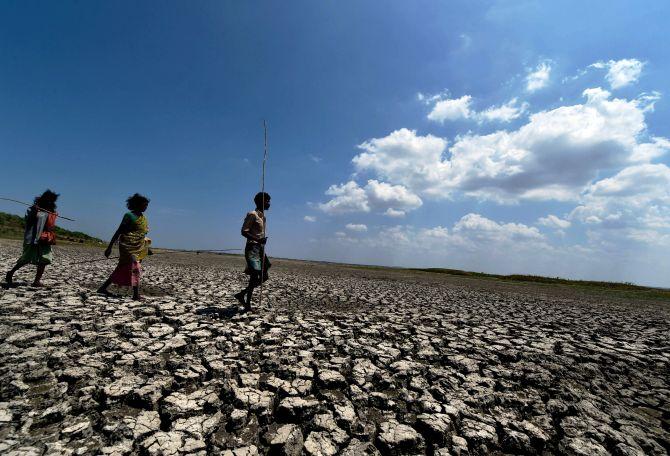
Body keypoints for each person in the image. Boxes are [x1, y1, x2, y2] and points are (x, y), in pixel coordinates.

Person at [97, 193, 151, 300]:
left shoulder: (143, 218)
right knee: (135, 266)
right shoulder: (129, 216)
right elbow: (119, 231)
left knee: (122, 268)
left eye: (147, 205)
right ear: (137, 205)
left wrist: (147, 249)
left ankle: (102, 288)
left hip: (139, 247)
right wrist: (109, 247)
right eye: (144, 205)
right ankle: (135, 295)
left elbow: (141, 235)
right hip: (127, 246)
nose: (146, 207)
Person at [5, 190, 60, 287]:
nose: (50, 202)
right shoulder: (33, 209)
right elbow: (29, 220)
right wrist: (35, 211)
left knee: (45, 259)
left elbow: (51, 225)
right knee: (26, 258)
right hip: (32, 238)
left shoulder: (52, 211)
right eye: (48, 200)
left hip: (45, 238)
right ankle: (11, 272)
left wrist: (53, 215)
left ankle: (36, 281)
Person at [234, 192, 271, 312]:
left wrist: (261, 242)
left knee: (264, 276)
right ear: (261, 202)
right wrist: (258, 239)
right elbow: (244, 231)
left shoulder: (263, 217)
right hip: (252, 248)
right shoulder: (252, 214)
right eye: (267, 201)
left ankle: (242, 294)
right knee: (255, 275)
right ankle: (247, 305)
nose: (269, 203)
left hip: (260, 249)